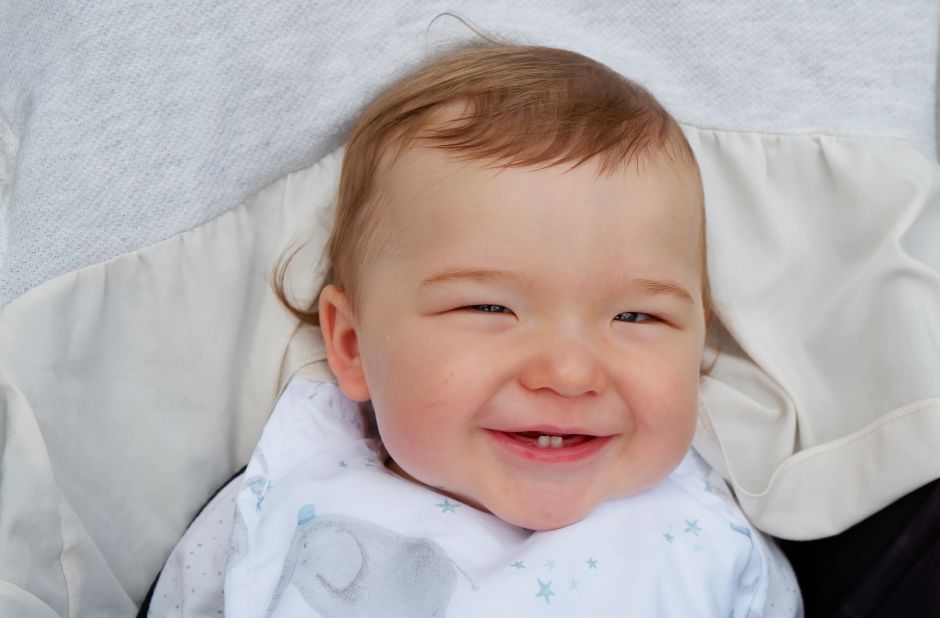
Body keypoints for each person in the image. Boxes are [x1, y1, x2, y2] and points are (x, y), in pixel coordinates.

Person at [146, 44, 801, 616]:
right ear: (351, 346)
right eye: (489, 310)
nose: (571, 373)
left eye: (637, 316)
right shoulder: (279, 505)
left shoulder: (708, 541)